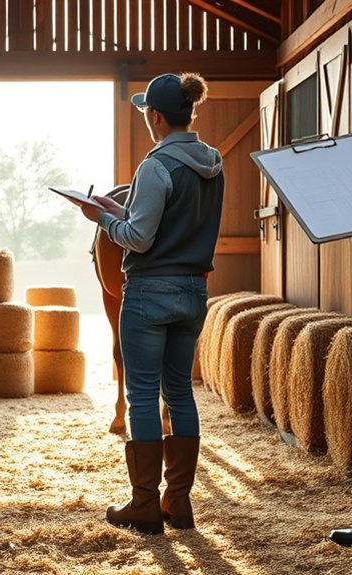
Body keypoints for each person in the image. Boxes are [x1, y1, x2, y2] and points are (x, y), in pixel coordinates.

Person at [80, 72, 224, 534]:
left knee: (142, 395)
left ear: (156, 116)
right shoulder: (212, 164)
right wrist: (121, 210)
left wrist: (101, 218)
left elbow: (139, 240)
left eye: (146, 111)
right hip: (192, 290)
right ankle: (177, 503)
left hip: (148, 293)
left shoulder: (155, 166)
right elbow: (165, 224)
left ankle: (144, 504)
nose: (146, 118)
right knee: (179, 391)